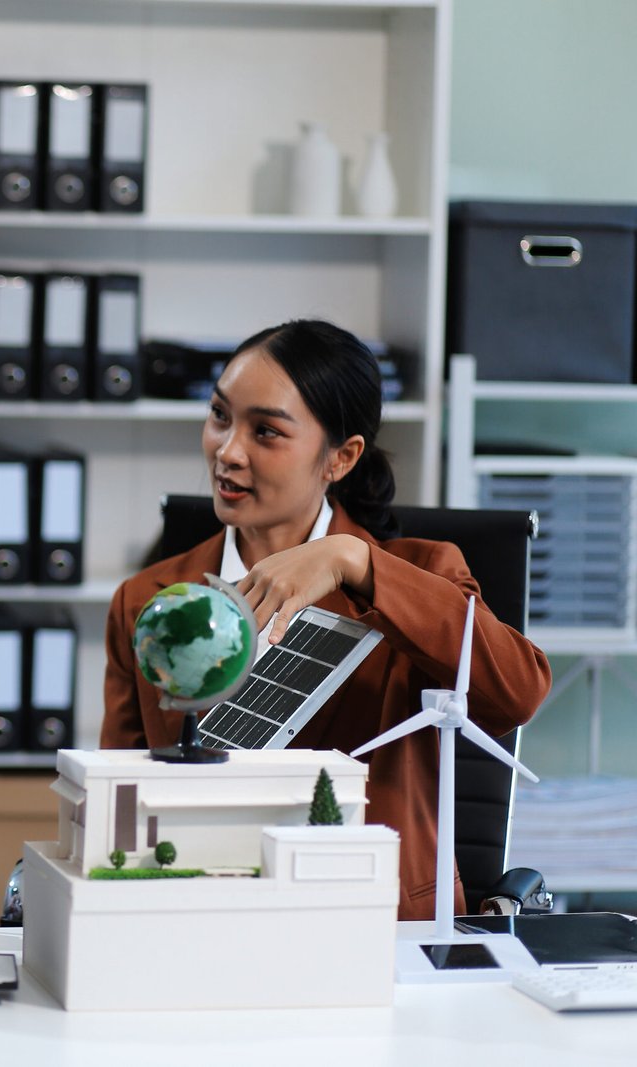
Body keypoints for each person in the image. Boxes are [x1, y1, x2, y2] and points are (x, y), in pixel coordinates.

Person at [101, 319, 550, 921]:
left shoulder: (419, 576)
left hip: (375, 926)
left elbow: (517, 693)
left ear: (341, 457)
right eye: (219, 416)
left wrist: (356, 562)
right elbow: (117, 801)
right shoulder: (151, 599)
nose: (227, 451)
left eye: (265, 431)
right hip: (203, 917)